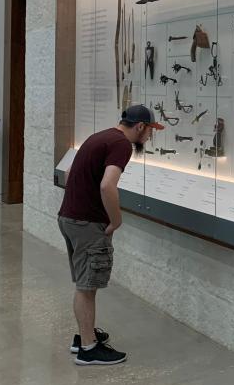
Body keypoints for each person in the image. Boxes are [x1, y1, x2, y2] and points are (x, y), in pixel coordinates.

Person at [58, 105, 162, 365]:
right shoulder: (122, 145)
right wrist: (116, 220)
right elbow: (107, 185)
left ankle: (85, 335)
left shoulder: (101, 136)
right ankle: (88, 349)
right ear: (140, 127)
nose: (149, 136)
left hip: (70, 218)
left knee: (85, 284)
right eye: (150, 131)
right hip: (88, 224)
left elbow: (71, 174)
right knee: (87, 286)